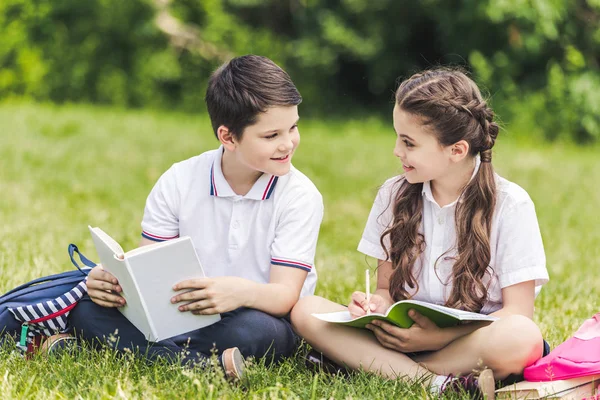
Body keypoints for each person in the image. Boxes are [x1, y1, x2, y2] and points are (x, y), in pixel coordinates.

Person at [291, 68, 549, 399]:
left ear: (456, 150)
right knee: (306, 310)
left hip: (469, 343)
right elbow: (386, 289)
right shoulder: (393, 194)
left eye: (409, 142)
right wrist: (374, 305)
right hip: (401, 339)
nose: (397, 151)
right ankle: (435, 382)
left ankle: (380, 367)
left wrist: (437, 338)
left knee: (523, 337)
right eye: (398, 137)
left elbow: (518, 312)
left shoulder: (511, 205)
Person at [68, 55, 324, 379]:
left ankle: (147, 351)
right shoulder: (179, 180)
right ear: (228, 137)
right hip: (182, 315)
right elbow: (151, 270)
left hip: (257, 314)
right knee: (86, 311)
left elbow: (285, 296)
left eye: (293, 127)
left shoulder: (299, 196)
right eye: (271, 136)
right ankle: (204, 366)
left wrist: (238, 293)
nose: (288, 143)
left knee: (260, 334)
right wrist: (113, 281)